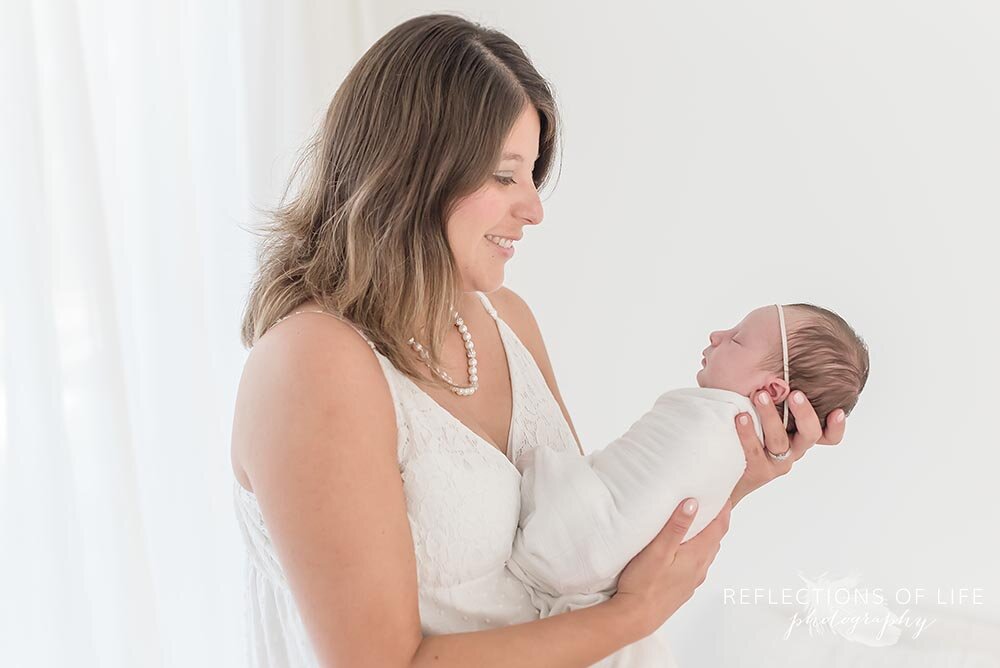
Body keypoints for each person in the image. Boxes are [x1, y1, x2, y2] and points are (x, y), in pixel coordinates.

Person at [229, 13, 849, 667]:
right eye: (504, 176)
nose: (534, 207)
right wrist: (634, 616)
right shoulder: (314, 364)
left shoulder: (505, 319)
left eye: (533, 175)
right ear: (409, 173)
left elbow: (592, 555)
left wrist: (736, 470)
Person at [507, 304, 869, 621]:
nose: (718, 335)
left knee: (551, 471)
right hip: (586, 581)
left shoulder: (716, 423)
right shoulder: (733, 435)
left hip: (567, 538)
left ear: (772, 390)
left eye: (737, 339)